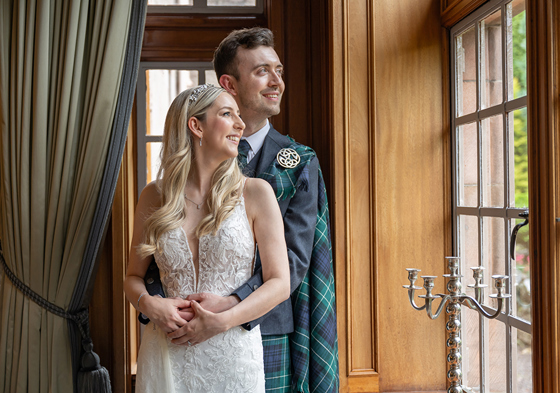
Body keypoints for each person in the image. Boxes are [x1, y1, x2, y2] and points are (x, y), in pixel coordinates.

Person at [143, 27, 339, 392]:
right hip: (178, 334)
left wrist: (230, 307)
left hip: (266, 330)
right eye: (262, 71)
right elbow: (154, 259)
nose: (276, 81)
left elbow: (295, 261)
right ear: (228, 84)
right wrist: (159, 306)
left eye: (279, 70)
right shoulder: (164, 188)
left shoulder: (297, 164)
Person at [124, 84, 290, 393]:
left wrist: (224, 320)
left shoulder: (255, 193)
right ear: (196, 126)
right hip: (165, 351)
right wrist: (150, 305)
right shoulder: (153, 196)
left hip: (233, 355)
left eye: (239, 115)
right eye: (228, 114)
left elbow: (280, 283)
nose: (241, 125)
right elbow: (132, 276)